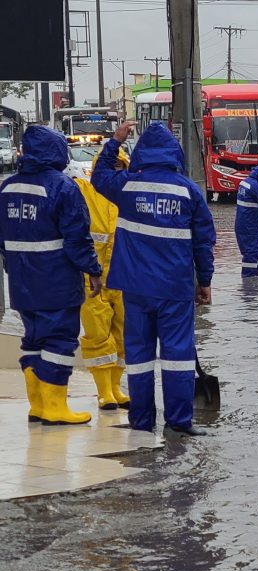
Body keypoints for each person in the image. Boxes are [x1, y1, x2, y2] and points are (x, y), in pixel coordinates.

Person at [91, 121, 216, 436]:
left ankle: (142, 422)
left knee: (139, 356)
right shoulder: (189, 191)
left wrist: (115, 140)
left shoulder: (127, 185)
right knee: (177, 355)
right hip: (174, 288)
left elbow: (99, 176)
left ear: (141, 153)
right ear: (175, 154)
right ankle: (179, 422)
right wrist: (205, 281)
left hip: (134, 288)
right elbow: (203, 242)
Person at [0, 125, 102, 425]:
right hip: (56, 279)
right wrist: (93, 270)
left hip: (21, 281)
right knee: (59, 340)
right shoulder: (63, 187)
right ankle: (55, 406)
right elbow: (77, 238)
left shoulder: (8, 188)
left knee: (33, 339)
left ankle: (38, 404)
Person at [74, 147, 132, 411]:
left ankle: (117, 387)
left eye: (121, 168)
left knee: (122, 335)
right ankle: (103, 391)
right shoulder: (84, 191)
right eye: (113, 167)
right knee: (98, 335)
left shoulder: (128, 196)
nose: (116, 172)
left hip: (122, 279)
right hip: (91, 279)